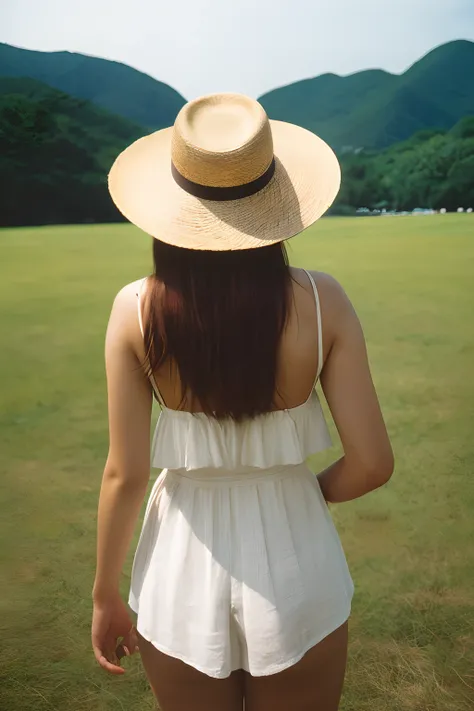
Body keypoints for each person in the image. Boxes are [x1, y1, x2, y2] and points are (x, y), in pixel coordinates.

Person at [91, 93, 394, 711]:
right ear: (275, 203)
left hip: (180, 562)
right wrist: (295, 493)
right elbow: (371, 463)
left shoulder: (135, 309)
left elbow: (125, 473)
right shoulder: (321, 300)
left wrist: (104, 594)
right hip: (297, 555)